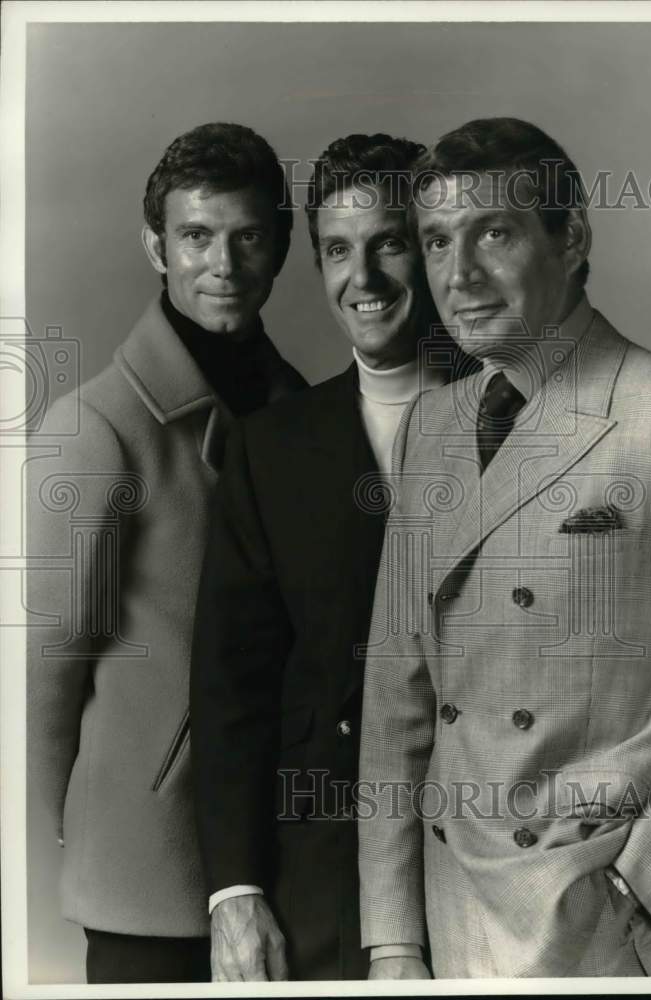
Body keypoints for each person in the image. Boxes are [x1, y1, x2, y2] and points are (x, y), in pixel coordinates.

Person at [358, 117, 651, 978]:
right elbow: (395, 700)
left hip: (608, 930)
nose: (458, 278)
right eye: (435, 241)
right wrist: (390, 939)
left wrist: (639, 886)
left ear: (569, 239)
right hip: (450, 914)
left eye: (493, 233)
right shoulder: (433, 424)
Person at [26, 122, 305, 984]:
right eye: (196, 235)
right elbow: (45, 664)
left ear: (282, 247)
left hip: (285, 850)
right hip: (150, 865)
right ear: (156, 245)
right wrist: (77, 829)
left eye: (247, 235)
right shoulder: (94, 425)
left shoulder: (297, 408)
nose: (223, 262)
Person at [190, 133, 471, 981]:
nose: (365, 280)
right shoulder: (272, 447)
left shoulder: (527, 416)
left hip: (503, 857)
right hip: (323, 873)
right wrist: (234, 892)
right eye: (337, 252)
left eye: (389, 242)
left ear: (430, 249)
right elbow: (232, 683)